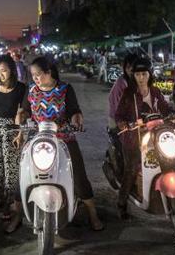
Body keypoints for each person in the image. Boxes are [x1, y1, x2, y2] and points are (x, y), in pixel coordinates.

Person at [17, 57, 104, 231]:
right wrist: (21, 115)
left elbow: (74, 110)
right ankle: (17, 215)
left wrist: (76, 118)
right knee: (23, 172)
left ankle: (92, 214)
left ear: (49, 72)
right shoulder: (31, 89)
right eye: (33, 75)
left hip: (63, 137)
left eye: (39, 74)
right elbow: (25, 110)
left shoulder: (65, 89)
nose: (36, 79)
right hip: (37, 137)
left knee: (78, 175)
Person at [114, 57, 170, 220]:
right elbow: (119, 115)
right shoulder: (128, 93)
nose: (141, 78)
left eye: (144, 74)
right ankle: (121, 203)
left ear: (149, 75)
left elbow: (166, 109)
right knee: (131, 168)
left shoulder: (155, 91)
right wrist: (124, 124)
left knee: (173, 161)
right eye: (137, 74)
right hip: (134, 137)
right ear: (134, 76)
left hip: (156, 135)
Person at [0, 54, 27, 233]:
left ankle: (10, 207)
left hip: (12, 131)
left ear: (12, 70)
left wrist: (20, 133)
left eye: (5, 71)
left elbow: (24, 113)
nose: (1, 75)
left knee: (11, 169)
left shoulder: (21, 88)